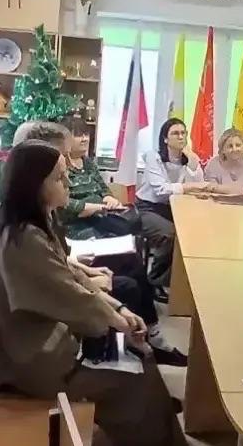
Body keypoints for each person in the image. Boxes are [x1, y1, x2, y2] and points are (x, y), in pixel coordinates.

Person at [0, 140, 228, 446]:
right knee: (135, 376)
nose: (67, 183)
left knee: (140, 361)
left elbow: (71, 278)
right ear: (34, 186)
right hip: (33, 365)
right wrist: (119, 321)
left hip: (43, 347)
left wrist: (119, 310)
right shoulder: (23, 241)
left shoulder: (32, 227)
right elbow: (72, 297)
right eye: (59, 177)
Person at [14, 120, 188, 366]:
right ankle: (124, 350)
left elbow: (61, 265)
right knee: (127, 283)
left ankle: (144, 340)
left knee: (130, 266)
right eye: (60, 176)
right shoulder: (27, 231)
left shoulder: (40, 219)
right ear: (36, 177)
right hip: (43, 349)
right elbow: (62, 287)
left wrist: (106, 297)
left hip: (75, 268)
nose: (68, 182)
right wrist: (117, 314)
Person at [135, 117, 211, 287]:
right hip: (148, 208)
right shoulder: (154, 157)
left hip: (174, 207)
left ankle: (183, 282)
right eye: (175, 133)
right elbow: (161, 190)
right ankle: (156, 282)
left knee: (196, 232)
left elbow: (199, 185)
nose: (181, 137)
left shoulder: (187, 158)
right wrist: (188, 187)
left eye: (183, 133)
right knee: (170, 235)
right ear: (165, 139)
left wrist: (193, 163)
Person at [60, 117, 134, 240]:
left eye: (86, 134)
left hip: (98, 218)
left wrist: (109, 198)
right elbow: (65, 204)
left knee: (128, 235)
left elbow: (103, 189)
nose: (85, 139)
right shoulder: (60, 166)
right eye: (78, 135)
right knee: (104, 242)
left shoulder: (88, 163)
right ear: (65, 140)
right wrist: (97, 207)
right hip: (74, 225)